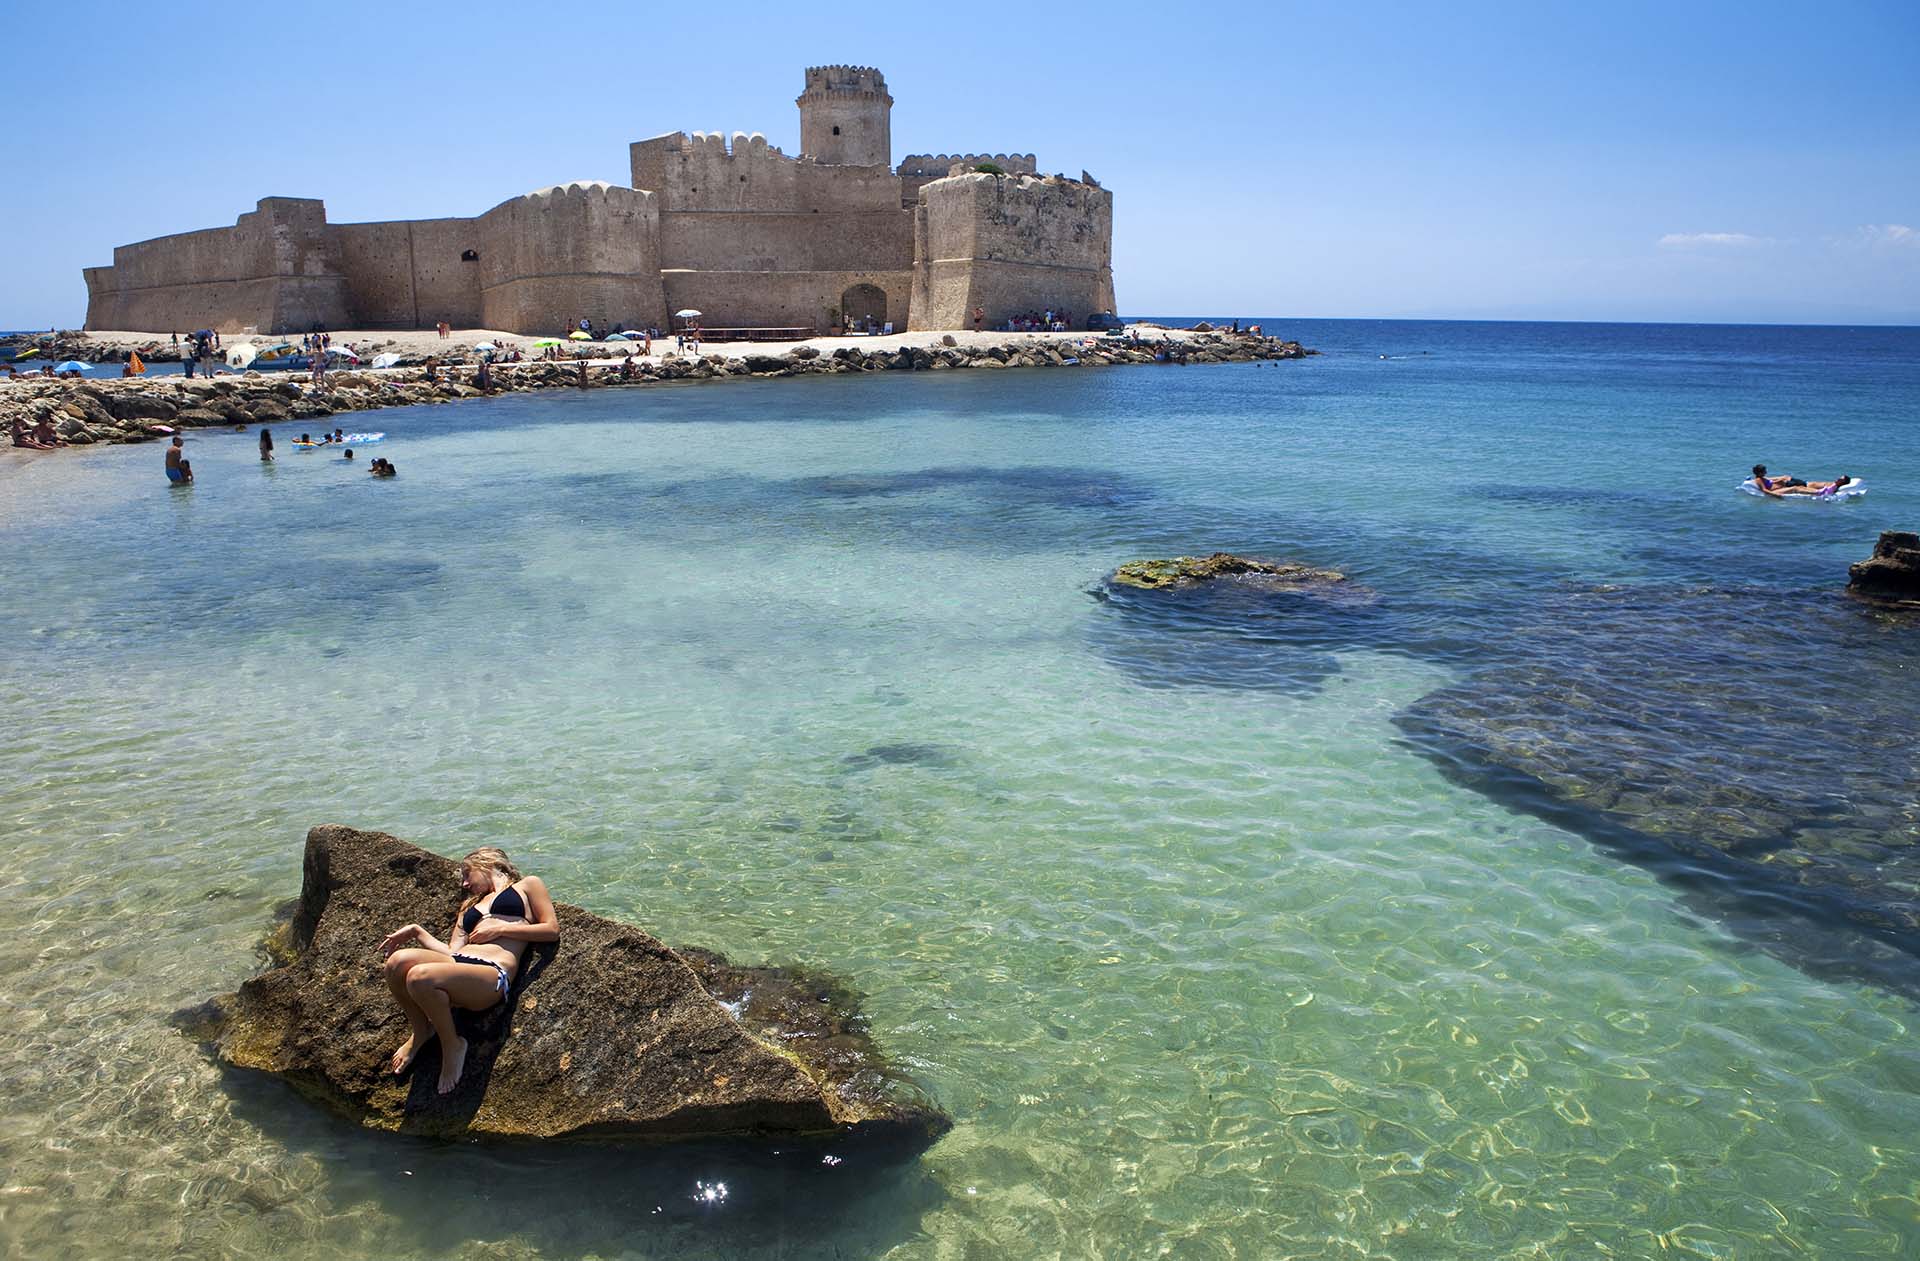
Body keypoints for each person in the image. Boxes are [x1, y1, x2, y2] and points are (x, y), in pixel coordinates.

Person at [378, 847, 557, 1093]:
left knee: (420, 977)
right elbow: (452, 952)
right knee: (396, 962)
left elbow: (550, 929)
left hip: (491, 974)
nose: (464, 883)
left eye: (466, 874)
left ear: (487, 863)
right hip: (458, 965)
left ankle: (452, 1045)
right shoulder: (469, 907)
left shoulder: (527, 886)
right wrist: (416, 931)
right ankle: (421, 1032)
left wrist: (501, 930)